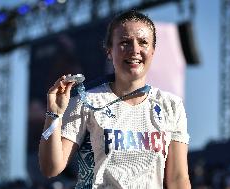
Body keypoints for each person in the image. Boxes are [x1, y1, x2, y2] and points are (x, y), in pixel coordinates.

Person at [39, 10, 191, 189]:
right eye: (125, 42)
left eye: (143, 42)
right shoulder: (86, 102)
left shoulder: (171, 106)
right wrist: (54, 115)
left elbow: (178, 179)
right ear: (109, 51)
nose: (134, 50)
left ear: (153, 51)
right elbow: (51, 168)